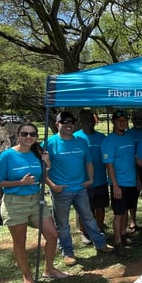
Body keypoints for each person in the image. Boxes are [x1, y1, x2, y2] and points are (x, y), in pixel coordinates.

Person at [0, 123, 68, 283]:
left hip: (36, 199)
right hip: (15, 202)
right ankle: (27, 276)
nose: (29, 137)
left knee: (52, 234)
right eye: (25, 134)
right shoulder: (6, 156)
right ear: (18, 135)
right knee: (20, 241)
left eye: (32, 134)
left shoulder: (38, 153)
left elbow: (42, 176)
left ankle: (49, 269)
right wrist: (20, 182)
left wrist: (47, 164)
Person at [45, 111, 114, 267]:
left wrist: (90, 179)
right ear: (57, 124)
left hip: (81, 188)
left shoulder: (81, 141)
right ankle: (68, 252)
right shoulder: (50, 143)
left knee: (89, 217)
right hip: (61, 190)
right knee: (63, 224)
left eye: (71, 122)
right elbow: (41, 167)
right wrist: (52, 185)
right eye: (64, 122)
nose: (68, 125)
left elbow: (88, 161)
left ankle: (100, 243)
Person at [101, 110, 136, 257]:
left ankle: (123, 235)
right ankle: (118, 244)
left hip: (131, 181)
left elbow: (130, 159)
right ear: (113, 122)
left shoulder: (128, 137)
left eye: (124, 120)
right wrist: (115, 185)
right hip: (119, 183)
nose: (122, 122)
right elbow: (109, 166)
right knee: (119, 214)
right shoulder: (109, 141)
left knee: (126, 210)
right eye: (119, 120)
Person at [74, 109, 110, 244]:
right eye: (85, 119)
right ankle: (85, 233)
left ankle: (99, 229)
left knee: (100, 207)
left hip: (100, 179)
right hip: (83, 181)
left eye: (91, 119)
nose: (89, 121)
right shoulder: (76, 137)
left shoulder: (102, 137)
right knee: (85, 209)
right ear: (81, 121)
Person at [126, 109, 142, 233]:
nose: (138, 121)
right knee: (133, 196)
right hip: (131, 169)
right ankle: (133, 221)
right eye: (135, 118)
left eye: (140, 118)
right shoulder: (127, 134)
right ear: (131, 120)